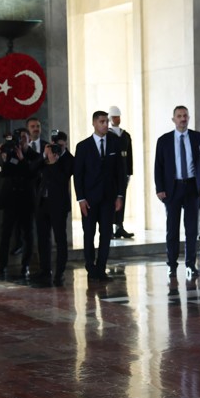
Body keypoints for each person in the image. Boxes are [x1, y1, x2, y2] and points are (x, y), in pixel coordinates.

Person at [153, 105, 200, 278]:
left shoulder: (196, 137)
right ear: (173, 119)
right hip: (172, 188)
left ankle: (190, 264)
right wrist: (160, 188)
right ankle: (171, 264)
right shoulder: (164, 140)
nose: (183, 119)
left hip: (192, 187)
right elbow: (158, 166)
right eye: (179, 116)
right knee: (172, 229)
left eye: (185, 116)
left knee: (192, 228)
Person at [73, 110, 125, 281]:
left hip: (108, 198)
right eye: (102, 121)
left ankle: (101, 268)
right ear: (94, 123)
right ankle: (90, 266)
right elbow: (78, 174)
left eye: (106, 122)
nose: (105, 125)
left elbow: (120, 171)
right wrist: (80, 199)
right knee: (89, 233)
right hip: (89, 199)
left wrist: (120, 196)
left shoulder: (115, 143)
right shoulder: (83, 146)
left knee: (106, 232)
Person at [0, 127, 41, 280]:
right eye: (19, 137)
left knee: (28, 234)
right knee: (5, 234)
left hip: (26, 200)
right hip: (10, 199)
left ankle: (25, 267)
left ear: (29, 139)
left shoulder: (34, 156)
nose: (22, 140)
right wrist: (5, 158)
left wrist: (22, 160)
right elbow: (3, 174)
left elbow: (33, 175)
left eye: (25, 137)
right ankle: (2, 267)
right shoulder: (11, 151)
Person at [37, 130, 74, 287]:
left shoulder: (69, 159)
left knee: (60, 240)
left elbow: (61, 178)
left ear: (65, 143)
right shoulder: (47, 155)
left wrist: (53, 162)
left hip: (58, 205)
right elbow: (32, 169)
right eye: (55, 145)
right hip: (43, 203)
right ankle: (45, 271)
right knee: (43, 239)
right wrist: (44, 156)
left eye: (60, 145)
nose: (57, 148)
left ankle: (59, 273)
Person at [108, 106, 134, 239]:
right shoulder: (107, 135)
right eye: (113, 117)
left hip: (122, 172)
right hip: (111, 173)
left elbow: (129, 155)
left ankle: (119, 226)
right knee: (111, 199)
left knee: (122, 198)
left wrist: (129, 172)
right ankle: (109, 227)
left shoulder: (125, 135)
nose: (116, 119)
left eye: (117, 117)